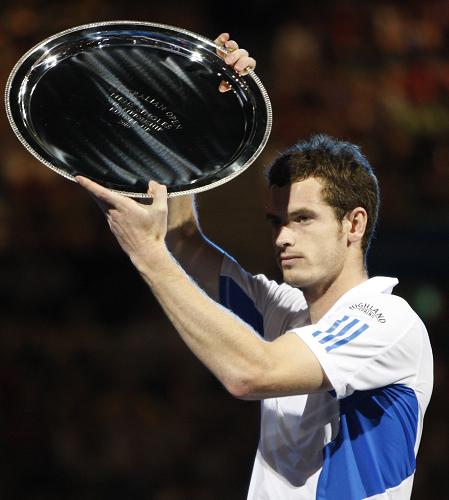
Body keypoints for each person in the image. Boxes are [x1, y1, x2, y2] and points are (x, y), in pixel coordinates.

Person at [76, 33, 433, 500]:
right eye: (276, 221)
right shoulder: (283, 311)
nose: (283, 236)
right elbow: (183, 239)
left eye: (303, 219)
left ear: (354, 224)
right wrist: (196, 112)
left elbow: (251, 374)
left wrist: (146, 254)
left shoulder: (386, 321)